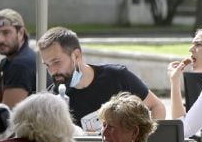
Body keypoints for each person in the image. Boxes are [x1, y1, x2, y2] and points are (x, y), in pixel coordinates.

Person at [37, 26, 166, 125]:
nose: (52, 71)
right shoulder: (54, 99)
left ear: (76, 55)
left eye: (56, 62)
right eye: (47, 65)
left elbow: (157, 106)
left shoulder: (116, 77)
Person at [0, 9, 37, 112]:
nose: (0, 39)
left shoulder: (21, 64)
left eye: (6, 32)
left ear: (21, 33)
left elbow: (5, 116)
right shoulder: (6, 63)